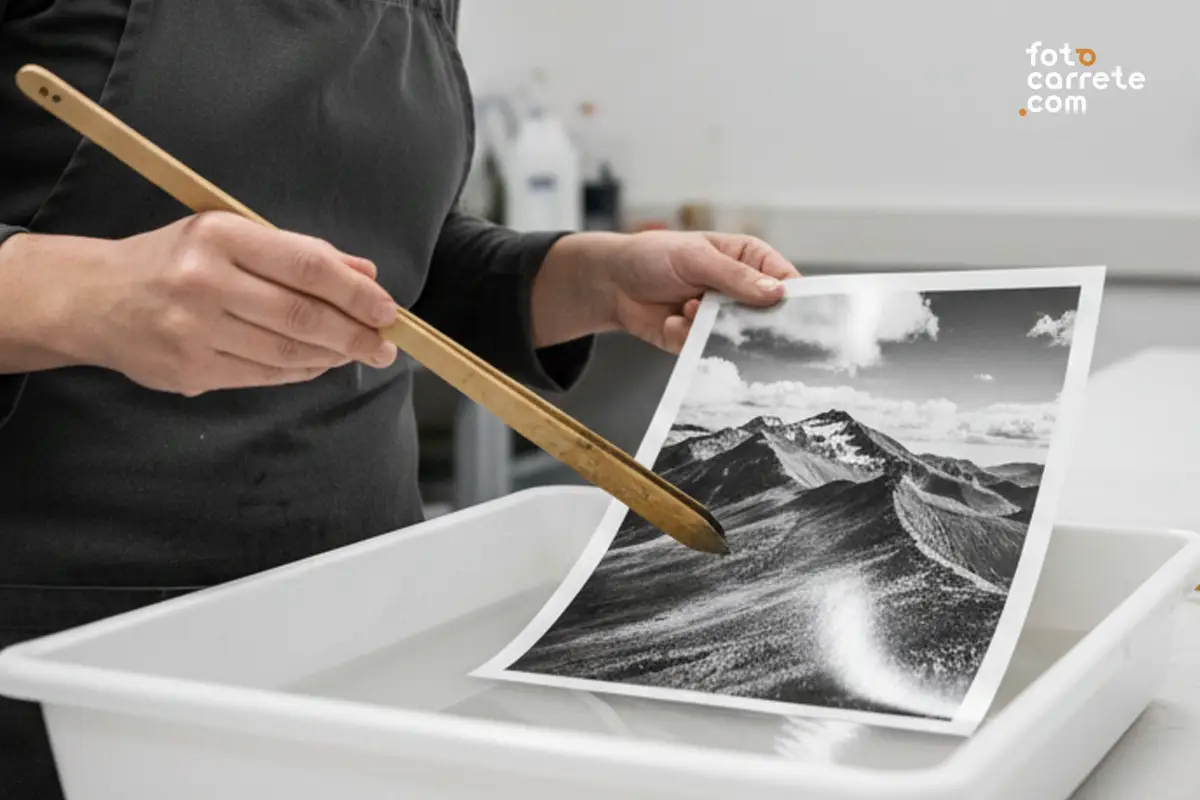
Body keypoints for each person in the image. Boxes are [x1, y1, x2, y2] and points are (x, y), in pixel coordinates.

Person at [0, 1, 801, 796]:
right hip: (68, 648)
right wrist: (77, 296)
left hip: (367, 626)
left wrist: (589, 277)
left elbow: (387, 263)